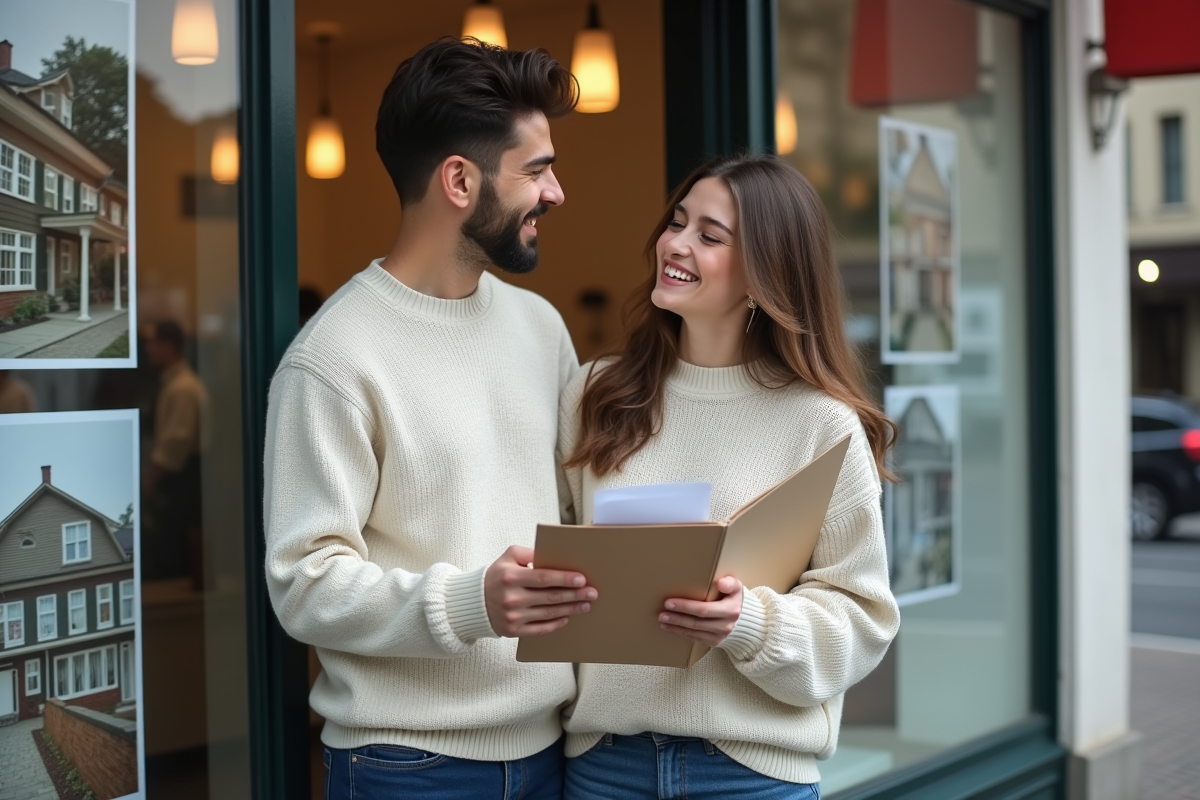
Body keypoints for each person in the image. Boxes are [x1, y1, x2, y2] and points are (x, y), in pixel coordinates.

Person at [264, 39, 595, 800]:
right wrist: (471, 602)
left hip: (553, 752)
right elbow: (303, 585)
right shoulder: (333, 359)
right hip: (406, 769)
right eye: (538, 170)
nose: (557, 193)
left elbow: (576, 514)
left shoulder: (542, 329)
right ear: (458, 179)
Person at [558, 154, 902, 799]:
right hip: (606, 764)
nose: (676, 244)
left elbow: (863, 622)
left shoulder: (821, 424)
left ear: (764, 274)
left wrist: (749, 623)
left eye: (710, 236)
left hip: (750, 773)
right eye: (677, 222)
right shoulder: (594, 393)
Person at [144, 320, 210, 589]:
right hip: (183, 476)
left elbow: (176, 444)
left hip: (183, 479)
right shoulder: (178, 383)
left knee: (176, 548)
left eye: (152, 342)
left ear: (168, 345)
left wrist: (150, 479)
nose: (148, 348)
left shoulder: (182, 387)